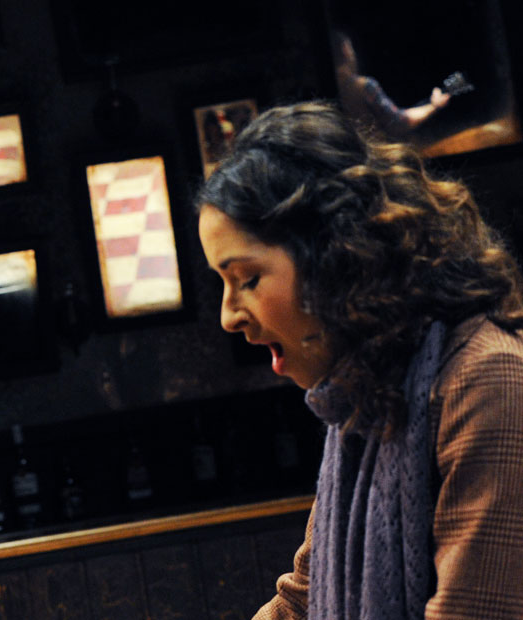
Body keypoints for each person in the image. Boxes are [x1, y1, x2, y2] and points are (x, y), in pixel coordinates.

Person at [197, 101, 523, 618]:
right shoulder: (366, 392)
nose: (229, 316)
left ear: (336, 256)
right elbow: (301, 602)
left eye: (247, 279)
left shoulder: (488, 378)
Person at [331, 31, 450, 140]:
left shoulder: (331, 90)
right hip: (377, 157)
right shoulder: (364, 86)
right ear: (345, 50)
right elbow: (398, 123)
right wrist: (435, 106)